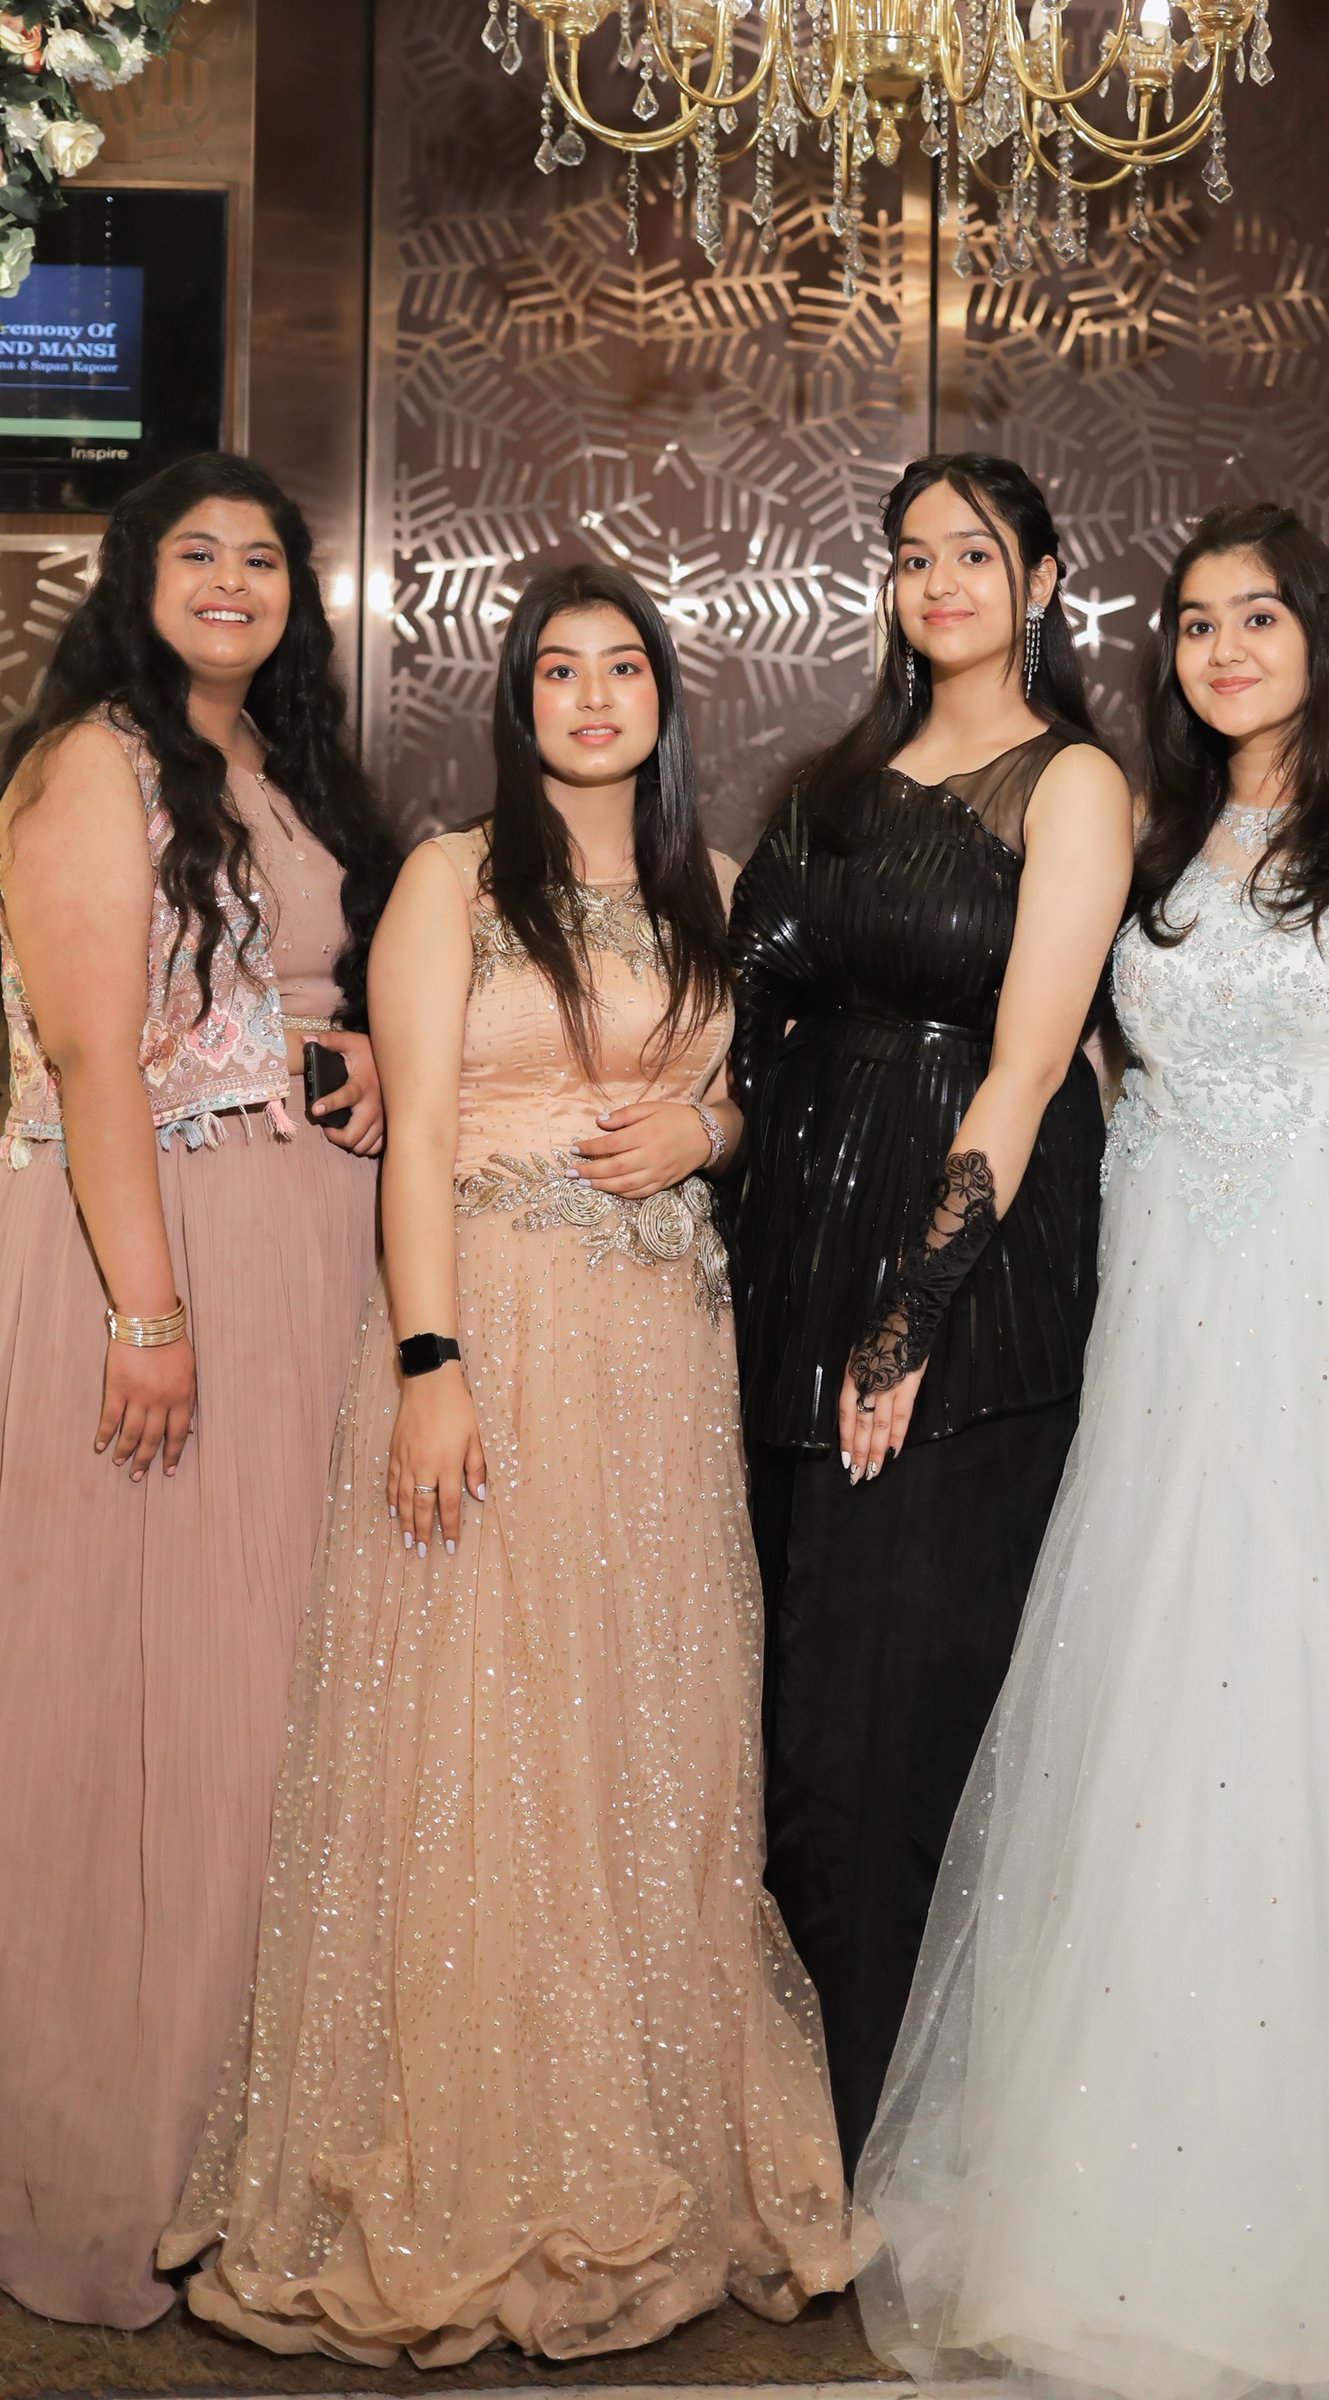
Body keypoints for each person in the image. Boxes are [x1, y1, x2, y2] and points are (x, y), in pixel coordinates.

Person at [856, 500, 1329, 2400]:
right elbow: (1090, 1077)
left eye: (1260, 617)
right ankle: (1182, 2189)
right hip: (1183, 1354)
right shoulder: (1149, 841)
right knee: (1188, 1737)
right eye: (1195, 623)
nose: (1226, 649)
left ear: (1323, 637)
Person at [160, 561, 852, 2366]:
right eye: (560, 669)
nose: (595, 696)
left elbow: (754, 1096)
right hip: (496, 1333)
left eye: (624, 667)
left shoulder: (714, 890)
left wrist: (706, 1128)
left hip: (661, 1361)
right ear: (519, 699)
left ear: (664, 700)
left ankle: (647, 2133)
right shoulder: (455, 881)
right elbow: (415, 1138)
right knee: (478, 1730)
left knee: (643, 1735)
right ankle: (472, 2153)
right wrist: (429, 1366)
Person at [0, 452, 397, 2326]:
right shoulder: (96, 762)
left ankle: (257, 2140)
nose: (232, 581)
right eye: (197, 552)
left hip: (301, 1258)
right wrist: (148, 1314)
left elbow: (289, 995)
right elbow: (95, 1053)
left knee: (269, 1703)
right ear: (135, 576)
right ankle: (125, 2151)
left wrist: (360, 1055)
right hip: (153, 1262)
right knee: (137, 1699)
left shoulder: (285, 769)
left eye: (263, 558)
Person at [729, 453, 1133, 2176]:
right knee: (789, 1707)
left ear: (1040, 583)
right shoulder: (831, 783)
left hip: (965, 1287)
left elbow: (1030, 1068)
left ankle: (886, 2154)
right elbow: (738, 1012)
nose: (941, 581)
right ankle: (789, 2134)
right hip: (787, 1267)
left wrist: (909, 1319)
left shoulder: (1075, 782)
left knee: (895, 1727)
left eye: (976, 554)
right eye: (912, 557)